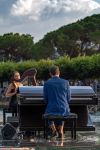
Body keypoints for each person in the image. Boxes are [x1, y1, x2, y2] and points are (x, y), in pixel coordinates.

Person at [43, 65, 71, 139]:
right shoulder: (66, 82)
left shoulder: (47, 83)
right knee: (62, 112)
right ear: (59, 72)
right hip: (64, 108)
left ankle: (54, 130)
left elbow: (45, 99)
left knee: (47, 113)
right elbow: (68, 98)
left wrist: (50, 103)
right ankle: (61, 131)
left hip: (52, 108)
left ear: (50, 74)